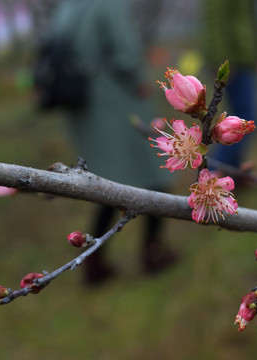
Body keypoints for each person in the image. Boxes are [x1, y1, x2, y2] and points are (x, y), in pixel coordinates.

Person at [47, 0, 176, 283]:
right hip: (113, 97)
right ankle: (151, 250)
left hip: (83, 101)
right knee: (151, 169)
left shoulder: (68, 6)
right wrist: (140, 82)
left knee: (107, 177)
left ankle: (95, 259)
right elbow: (126, 53)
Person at [202, 0, 257, 171]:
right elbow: (214, 21)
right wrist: (222, 60)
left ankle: (234, 172)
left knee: (239, 120)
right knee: (246, 118)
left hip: (243, 57)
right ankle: (210, 175)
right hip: (234, 60)